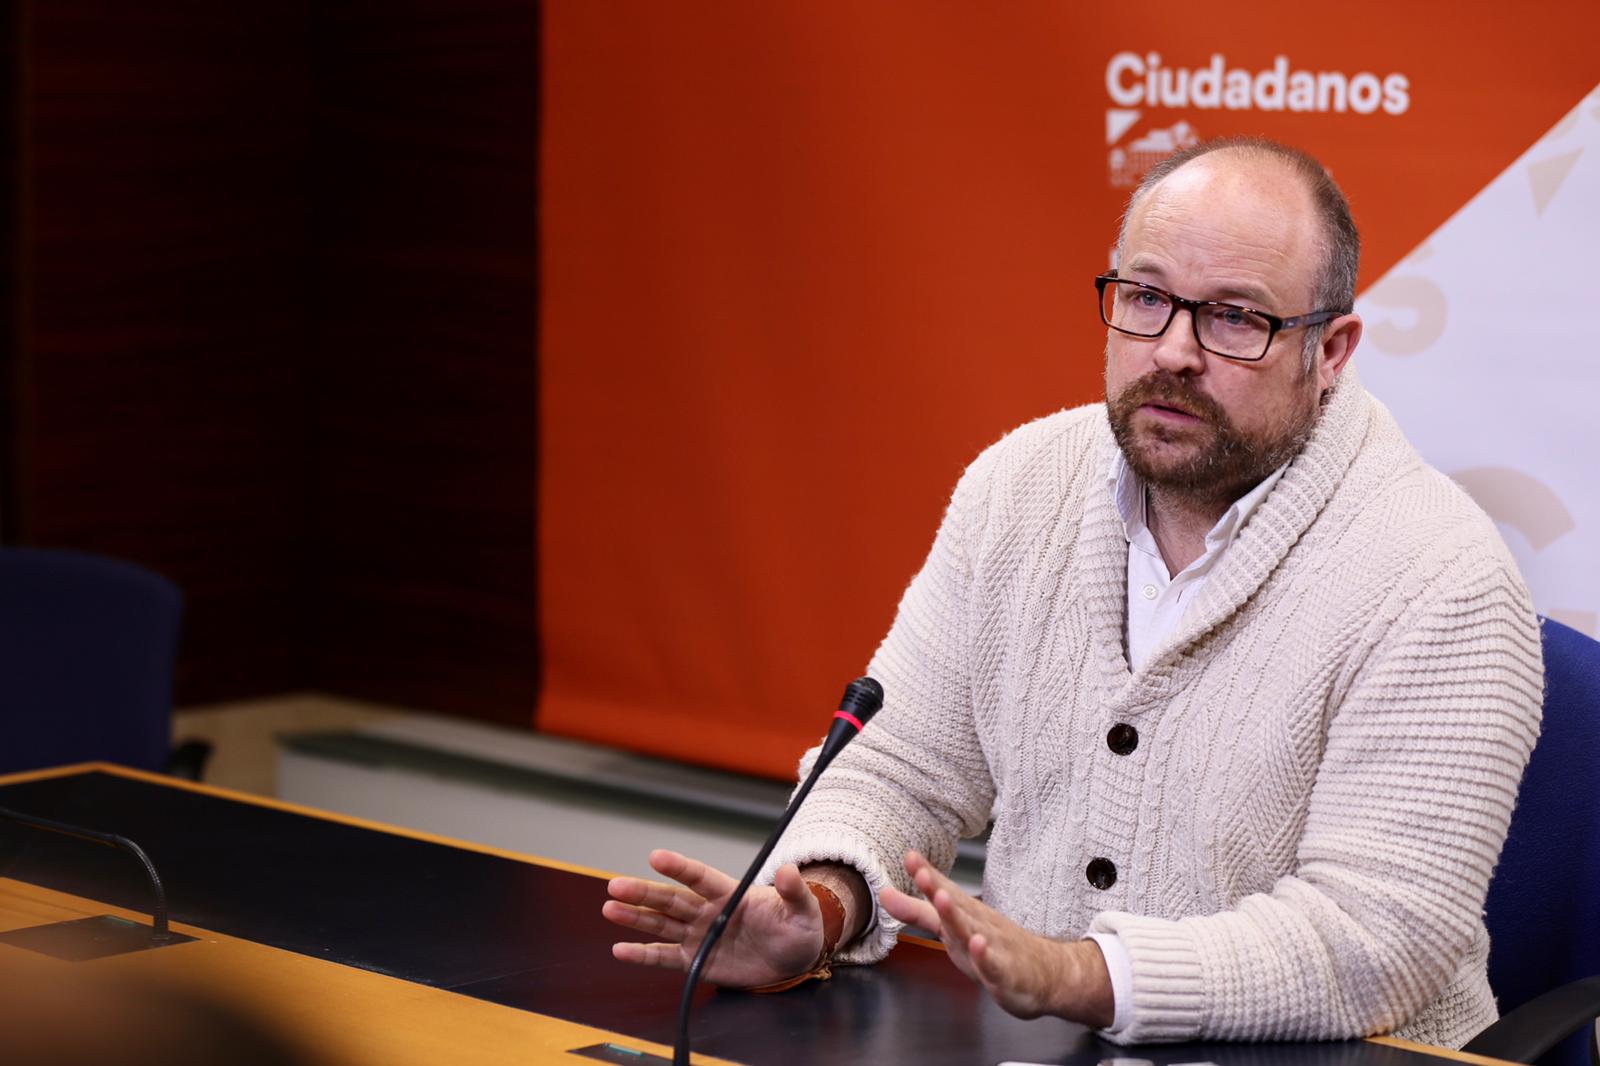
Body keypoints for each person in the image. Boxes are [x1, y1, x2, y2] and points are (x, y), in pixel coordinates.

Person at [602, 138, 1544, 1048]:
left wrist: (1079, 976)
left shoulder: (1439, 574)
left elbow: (1379, 940)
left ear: (1330, 351)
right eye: (1146, 298)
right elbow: (898, 770)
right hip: (1039, 1043)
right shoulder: (1019, 486)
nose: (1173, 351)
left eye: (1234, 318)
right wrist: (821, 904)